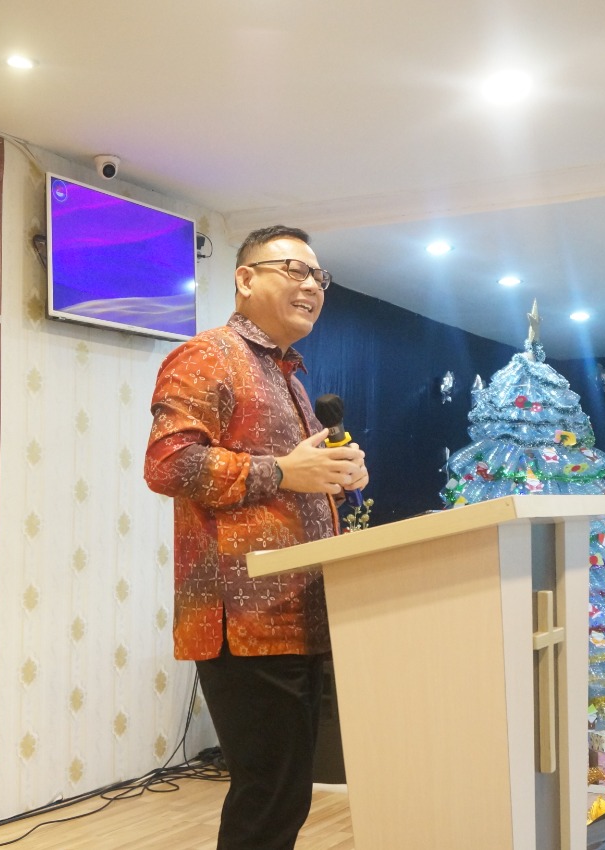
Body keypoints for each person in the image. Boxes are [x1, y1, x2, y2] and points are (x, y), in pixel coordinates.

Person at [145, 225, 369, 850]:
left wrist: (337, 476)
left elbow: (291, 482)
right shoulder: (208, 355)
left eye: (318, 276)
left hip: (296, 613)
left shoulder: (289, 377)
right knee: (268, 796)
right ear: (245, 279)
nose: (311, 285)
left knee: (284, 796)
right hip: (242, 618)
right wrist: (285, 471)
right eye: (294, 269)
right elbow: (167, 465)